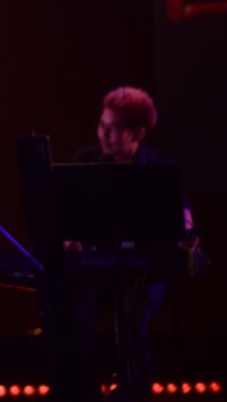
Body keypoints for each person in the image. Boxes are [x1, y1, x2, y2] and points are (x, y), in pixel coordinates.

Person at [65, 86, 198, 402]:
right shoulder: (86, 162)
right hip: (96, 266)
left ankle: (133, 392)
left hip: (143, 269)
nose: (103, 134)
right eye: (101, 126)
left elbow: (183, 222)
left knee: (131, 328)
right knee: (75, 321)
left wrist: (184, 237)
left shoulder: (159, 170)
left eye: (113, 129)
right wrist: (70, 240)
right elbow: (67, 218)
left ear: (138, 133)